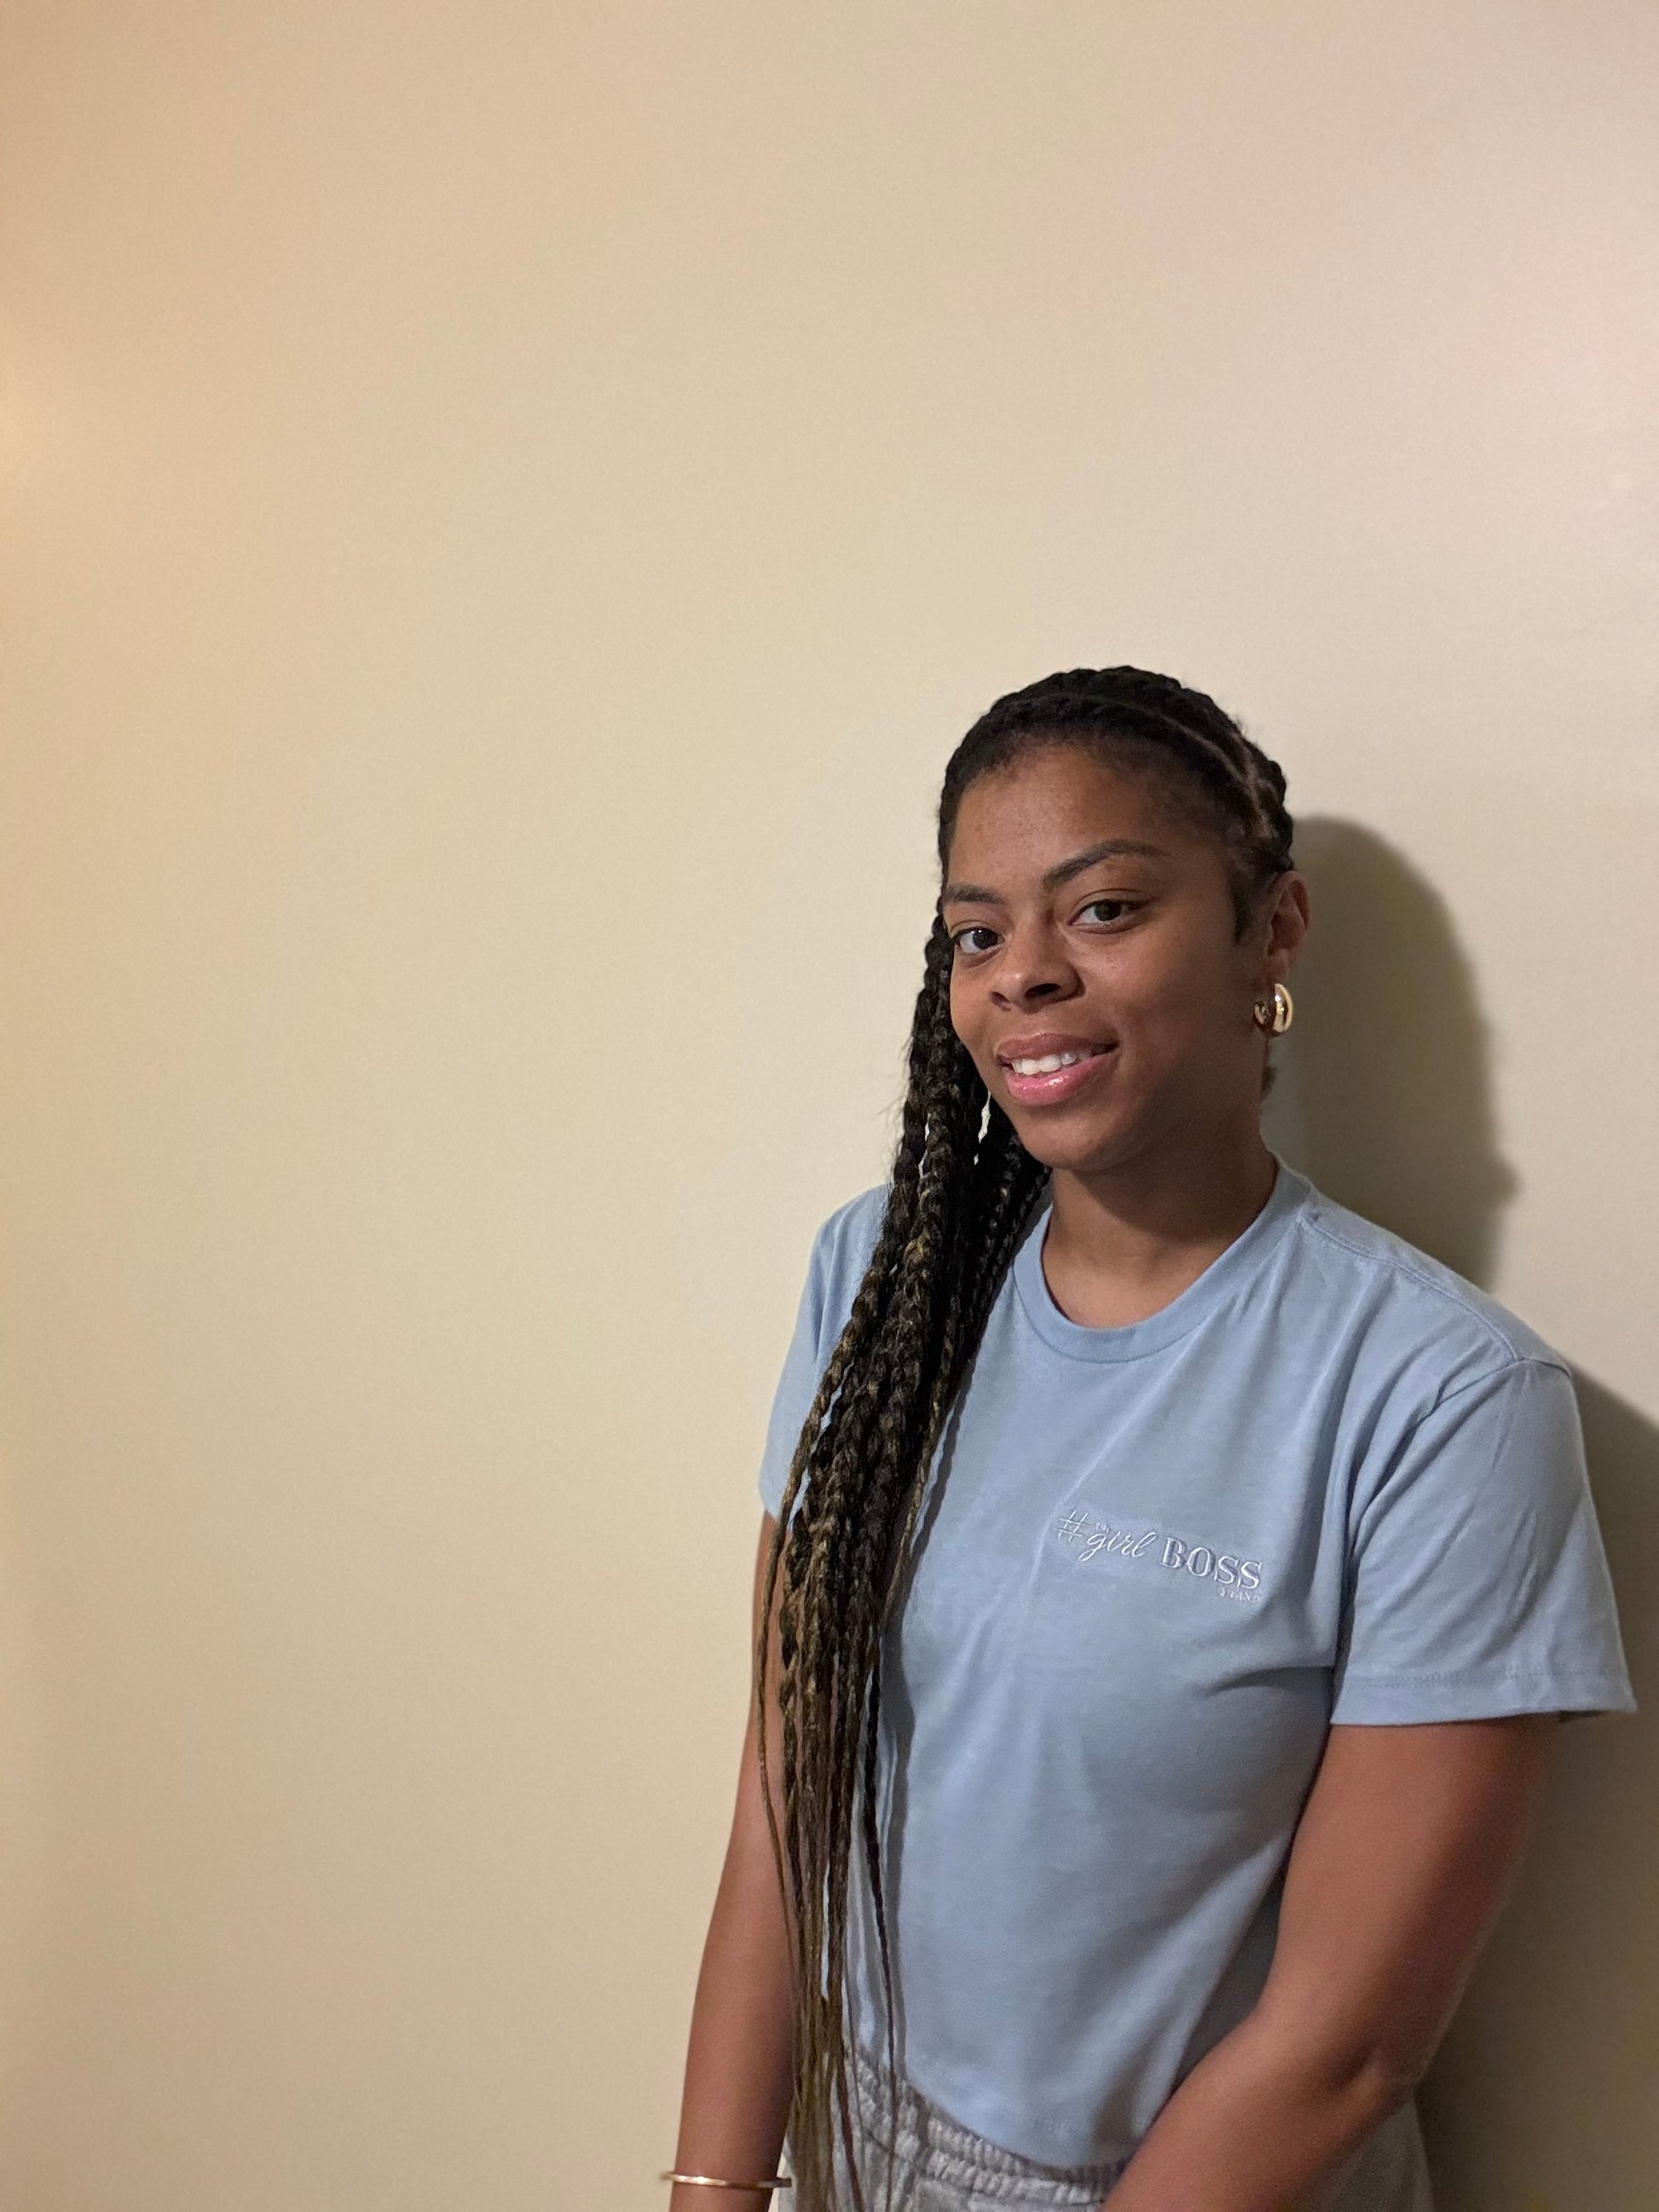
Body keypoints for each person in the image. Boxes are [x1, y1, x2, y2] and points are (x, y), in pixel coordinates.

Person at [663, 667, 1636, 2212]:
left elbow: (1339, 2052)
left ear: (1271, 930)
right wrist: (714, 2188)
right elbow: (784, 1791)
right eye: (977, 933)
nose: (1023, 977)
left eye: (1103, 909)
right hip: (857, 2144)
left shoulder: (1439, 1399)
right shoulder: (883, 1278)